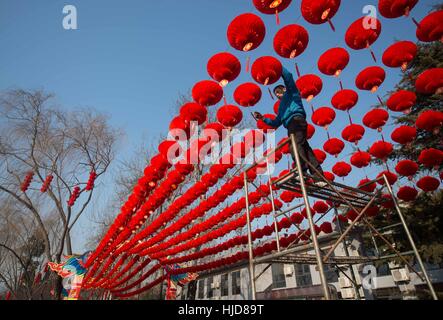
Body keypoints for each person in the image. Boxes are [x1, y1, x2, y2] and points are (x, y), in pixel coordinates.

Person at [253, 67, 324, 180]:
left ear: (284, 89)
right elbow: (276, 123)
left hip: (297, 120)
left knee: (294, 145)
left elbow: (289, 78)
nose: (277, 94)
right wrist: (262, 118)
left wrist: (278, 67)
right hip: (290, 125)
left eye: (279, 91)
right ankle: (318, 176)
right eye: (276, 93)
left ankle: (301, 168)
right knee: (305, 148)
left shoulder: (292, 93)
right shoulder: (281, 107)